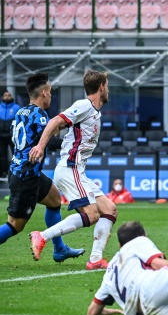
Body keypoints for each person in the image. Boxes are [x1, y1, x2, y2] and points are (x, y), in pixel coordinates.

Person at [28, 69, 118, 270]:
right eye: (107, 87)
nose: (109, 91)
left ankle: (95, 259)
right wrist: (41, 146)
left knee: (110, 210)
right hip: (70, 168)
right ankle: (42, 236)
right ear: (101, 87)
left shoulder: (93, 111)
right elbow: (55, 121)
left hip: (78, 170)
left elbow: (64, 126)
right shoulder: (84, 105)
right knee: (92, 214)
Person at [0, 73, 85, 262]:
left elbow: (42, 132)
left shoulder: (22, 111)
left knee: (54, 200)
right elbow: (49, 142)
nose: (51, 96)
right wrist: (74, 142)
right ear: (44, 93)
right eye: (51, 93)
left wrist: (62, 125)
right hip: (25, 178)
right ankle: (59, 248)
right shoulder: (39, 115)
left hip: (30, 173)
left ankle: (59, 249)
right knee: (15, 226)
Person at [0, 88, 21, 181]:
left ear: (11, 97)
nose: (7, 97)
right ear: (2, 97)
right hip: (1, 136)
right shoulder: (0, 107)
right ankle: (3, 173)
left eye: (9, 95)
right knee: (2, 156)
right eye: (5, 95)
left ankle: (14, 173)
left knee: (15, 155)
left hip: (12, 136)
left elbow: (20, 122)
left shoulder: (17, 108)